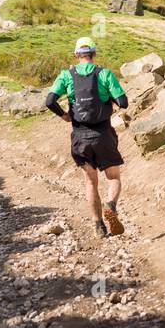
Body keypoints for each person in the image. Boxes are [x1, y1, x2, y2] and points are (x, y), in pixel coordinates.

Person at [44, 37, 129, 237]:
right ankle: (111, 205)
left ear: (76, 55)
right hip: (104, 135)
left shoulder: (66, 75)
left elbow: (49, 101)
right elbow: (123, 102)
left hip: (80, 137)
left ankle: (98, 226)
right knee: (113, 177)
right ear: (94, 54)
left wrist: (64, 115)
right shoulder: (105, 74)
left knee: (90, 183)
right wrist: (110, 100)